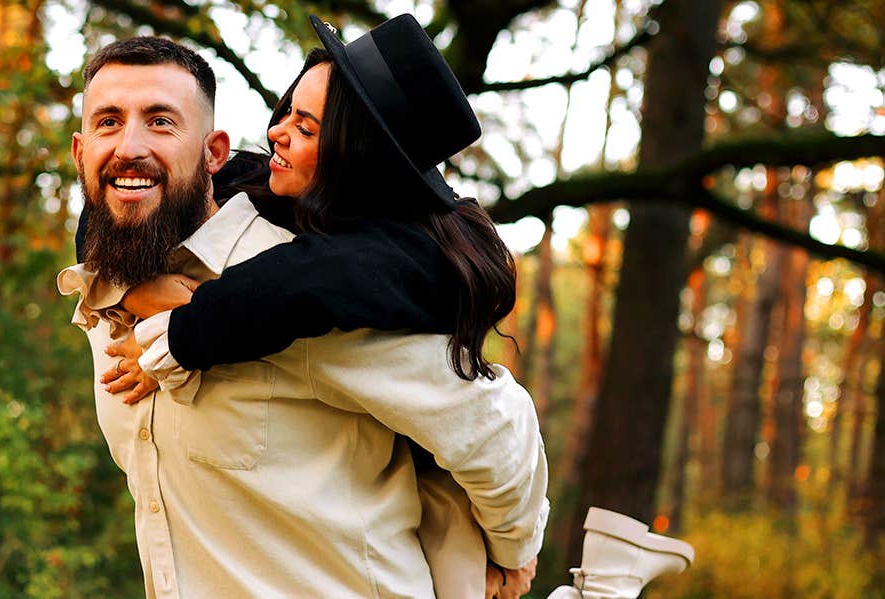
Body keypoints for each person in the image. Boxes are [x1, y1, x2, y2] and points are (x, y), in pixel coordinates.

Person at [57, 24, 548, 599]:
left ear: (211, 153)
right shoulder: (111, 278)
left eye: (162, 122)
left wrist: (514, 551)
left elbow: (495, 425)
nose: (130, 146)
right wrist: (133, 287)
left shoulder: (327, 296)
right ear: (79, 150)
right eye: (108, 122)